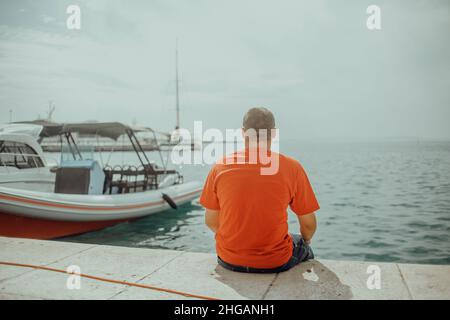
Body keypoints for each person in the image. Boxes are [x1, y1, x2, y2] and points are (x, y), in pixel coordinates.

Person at [200, 107, 320, 273]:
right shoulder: (292, 167)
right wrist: (306, 241)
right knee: (300, 242)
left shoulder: (220, 167)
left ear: (243, 133)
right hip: (275, 262)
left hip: (228, 260)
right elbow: (308, 225)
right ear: (274, 133)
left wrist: (239, 241)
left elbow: (211, 221)